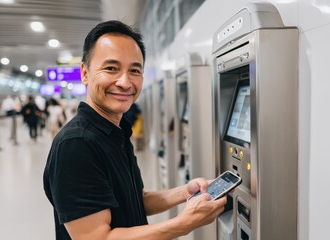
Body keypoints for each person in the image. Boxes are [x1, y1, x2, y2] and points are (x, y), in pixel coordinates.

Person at [43, 20, 227, 240]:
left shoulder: (115, 132)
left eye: (134, 70)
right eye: (111, 68)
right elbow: (97, 238)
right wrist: (183, 224)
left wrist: (184, 192)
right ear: (85, 73)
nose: (124, 82)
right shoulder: (76, 144)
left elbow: (136, 200)